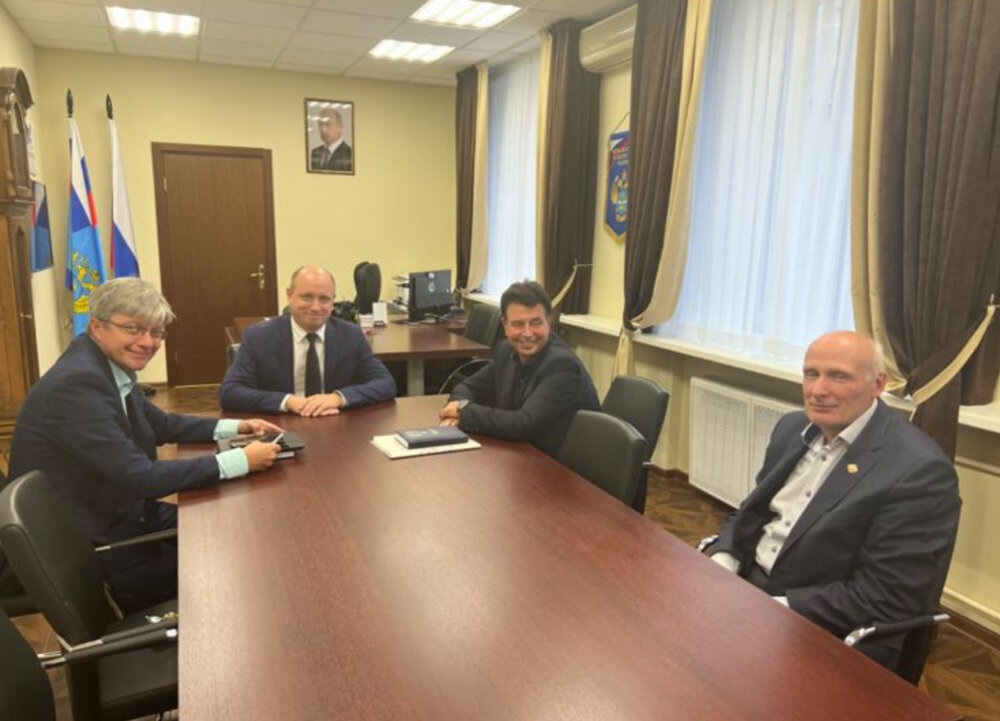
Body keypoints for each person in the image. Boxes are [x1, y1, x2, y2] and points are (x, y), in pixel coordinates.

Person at [8, 278, 282, 608]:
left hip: (121, 513)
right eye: (133, 329)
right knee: (231, 570)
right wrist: (241, 461)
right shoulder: (77, 383)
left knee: (228, 529)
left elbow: (161, 424)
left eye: (157, 332)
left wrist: (235, 426)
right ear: (97, 326)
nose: (148, 342)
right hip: (91, 544)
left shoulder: (103, 364)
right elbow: (142, 477)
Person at [704, 330, 961, 673]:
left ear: (878, 384)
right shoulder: (791, 427)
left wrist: (769, 610)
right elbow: (752, 512)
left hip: (816, 622)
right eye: (811, 374)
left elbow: (885, 595)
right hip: (746, 587)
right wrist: (723, 560)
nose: (818, 390)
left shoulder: (918, 470)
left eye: (839, 376)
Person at [439, 281, 600, 457]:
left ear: (549, 322)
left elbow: (522, 424)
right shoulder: (506, 350)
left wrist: (463, 412)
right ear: (505, 326)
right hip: (522, 455)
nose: (527, 333)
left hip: (561, 465)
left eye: (536, 323)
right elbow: (467, 387)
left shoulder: (562, 365)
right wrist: (458, 409)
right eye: (518, 324)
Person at [220, 265, 395, 415]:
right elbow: (230, 393)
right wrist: (288, 401)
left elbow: (386, 383)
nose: (316, 307)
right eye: (307, 297)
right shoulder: (258, 337)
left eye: (324, 299)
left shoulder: (351, 335)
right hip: (281, 424)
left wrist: (338, 398)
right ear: (289, 295)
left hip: (335, 424)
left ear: (333, 301)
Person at [309, 107, 353, 172]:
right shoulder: (315, 152)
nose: (323, 130)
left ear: (340, 127)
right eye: (320, 124)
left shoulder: (349, 154)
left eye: (328, 125)